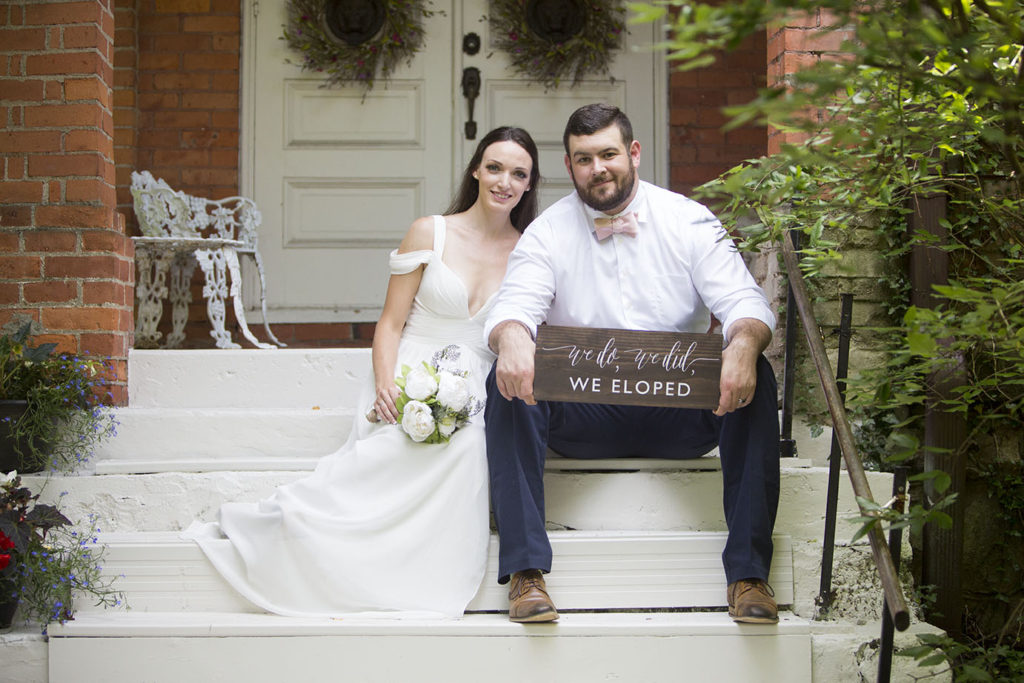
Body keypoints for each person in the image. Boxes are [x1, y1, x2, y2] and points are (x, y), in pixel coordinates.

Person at [185, 126, 540, 617]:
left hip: (477, 386)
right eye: (495, 167)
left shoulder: (529, 250)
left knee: (470, 446)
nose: (504, 181)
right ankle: (296, 530)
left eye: (518, 174)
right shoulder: (430, 231)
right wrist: (387, 384)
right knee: (397, 447)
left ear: (528, 185)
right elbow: (391, 323)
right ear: (477, 169)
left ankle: (415, 577)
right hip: (414, 369)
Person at [483, 104, 780, 624]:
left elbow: (745, 300)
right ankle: (527, 573)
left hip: (679, 416)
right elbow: (516, 305)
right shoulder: (548, 232)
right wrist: (510, 336)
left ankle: (749, 575)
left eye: (608, 154)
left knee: (757, 371)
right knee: (506, 380)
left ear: (633, 153)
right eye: (583, 158)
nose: (597, 168)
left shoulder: (688, 219)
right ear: (570, 165)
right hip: (584, 416)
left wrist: (743, 343)